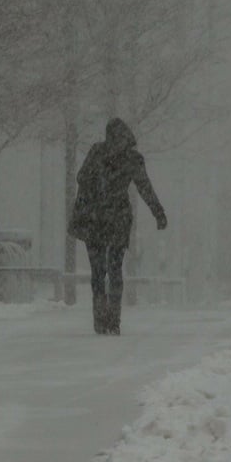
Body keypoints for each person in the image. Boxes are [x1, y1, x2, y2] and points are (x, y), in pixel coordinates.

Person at [68, 118, 167, 335]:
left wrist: (99, 180)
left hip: (98, 219)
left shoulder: (101, 153)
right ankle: (110, 320)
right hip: (112, 219)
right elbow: (144, 187)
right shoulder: (130, 159)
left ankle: (105, 319)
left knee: (103, 271)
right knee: (110, 270)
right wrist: (158, 212)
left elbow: (82, 177)